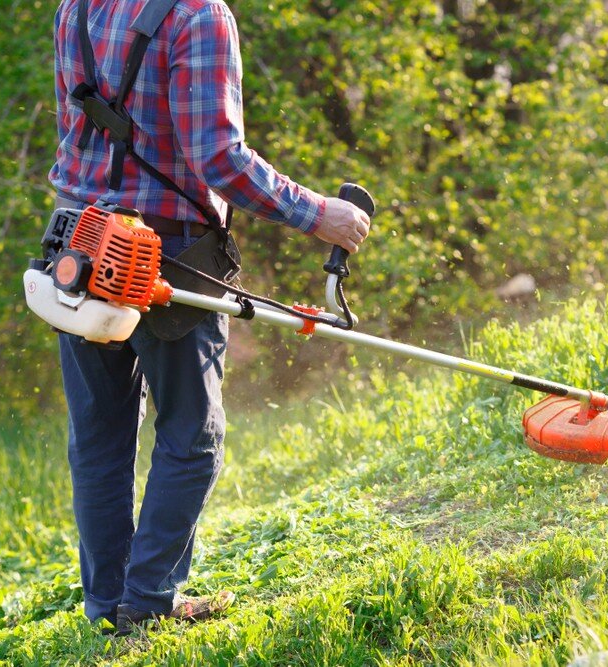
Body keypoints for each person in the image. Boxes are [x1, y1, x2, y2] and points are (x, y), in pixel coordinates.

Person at [49, 0, 371, 634]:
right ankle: (145, 603)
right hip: (164, 254)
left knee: (99, 437)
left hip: (75, 245)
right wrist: (318, 214)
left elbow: (81, 124)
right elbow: (219, 160)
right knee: (194, 437)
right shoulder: (198, 13)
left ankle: (108, 606)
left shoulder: (78, 6)